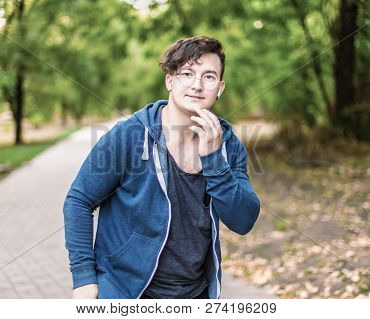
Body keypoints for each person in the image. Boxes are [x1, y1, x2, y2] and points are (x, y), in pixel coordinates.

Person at [63, 36, 260, 299]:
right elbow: (79, 200)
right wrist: (84, 279)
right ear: (170, 80)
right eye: (187, 74)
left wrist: (213, 159)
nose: (197, 85)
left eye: (209, 77)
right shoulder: (130, 135)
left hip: (196, 294)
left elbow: (243, 220)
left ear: (220, 88)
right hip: (127, 292)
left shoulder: (227, 145)